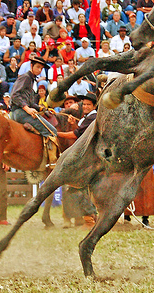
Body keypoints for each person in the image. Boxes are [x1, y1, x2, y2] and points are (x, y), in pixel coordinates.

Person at [57, 91, 99, 228]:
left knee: (77, 187)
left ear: (94, 106)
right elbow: (80, 132)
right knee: (78, 188)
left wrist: (56, 134)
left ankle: (89, 218)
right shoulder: (87, 118)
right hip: (88, 156)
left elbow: (76, 135)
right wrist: (74, 124)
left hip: (89, 157)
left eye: (88, 104)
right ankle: (87, 218)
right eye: (84, 104)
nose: (85, 106)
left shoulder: (93, 118)